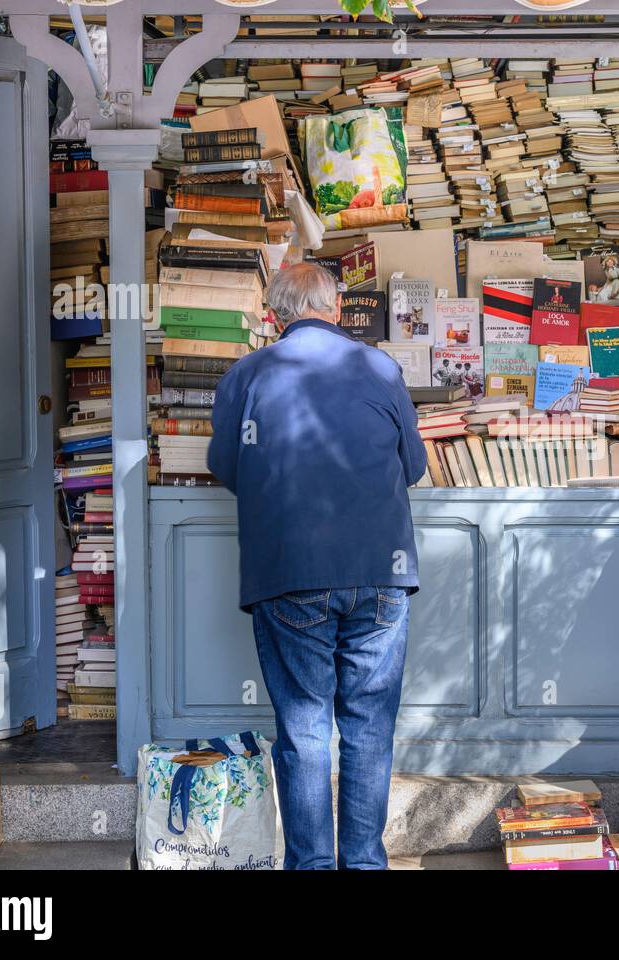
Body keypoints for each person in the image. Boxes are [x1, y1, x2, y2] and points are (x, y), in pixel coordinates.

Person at [207, 262, 427, 870]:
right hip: (381, 572)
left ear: (274, 315)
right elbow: (413, 466)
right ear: (335, 309)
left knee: (304, 730)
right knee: (368, 727)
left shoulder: (245, 374)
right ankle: (363, 864)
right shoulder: (381, 368)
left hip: (290, 569)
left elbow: (226, 467)